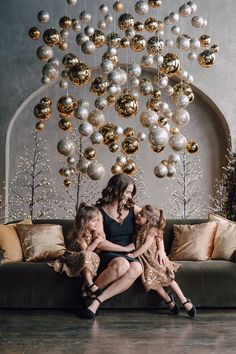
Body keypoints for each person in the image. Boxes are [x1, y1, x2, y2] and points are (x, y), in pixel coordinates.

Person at [82, 173, 168, 319]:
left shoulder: (133, 208)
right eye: (127, 192)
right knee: (122, 264)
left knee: (137, 267)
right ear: (116, 189)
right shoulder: (99, 211)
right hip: (109, 251)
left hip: (129, 253)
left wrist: (161, 249)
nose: (129, 196)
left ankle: (96, 300)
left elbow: (154, 226)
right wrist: (125, 249)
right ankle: (89, 290)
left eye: (131, 192)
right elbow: (101, 242)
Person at [127, 204, 196, 317]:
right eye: (139, 213)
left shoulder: (152, 230)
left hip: (154, 259)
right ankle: (168, 300)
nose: (138, 215)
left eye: (142, 215)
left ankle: (184, 300)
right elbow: (135, 207)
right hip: (145, 261)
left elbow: (145, 246)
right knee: (153, 281)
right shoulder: (140, 227)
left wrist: (133, 255)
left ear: (149, 221)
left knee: (167, 278)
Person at [50, 203, 104, 301]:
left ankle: (84, 286)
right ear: (84, 222)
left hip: (83, 259)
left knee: (95, 256)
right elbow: (87, 251)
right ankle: (90, 284)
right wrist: (97, 241)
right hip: (72, 258)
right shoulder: (80, 235)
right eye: (93, 221)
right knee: (87, 254)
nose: (97, 223)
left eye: (97, 221)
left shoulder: (92, 233)